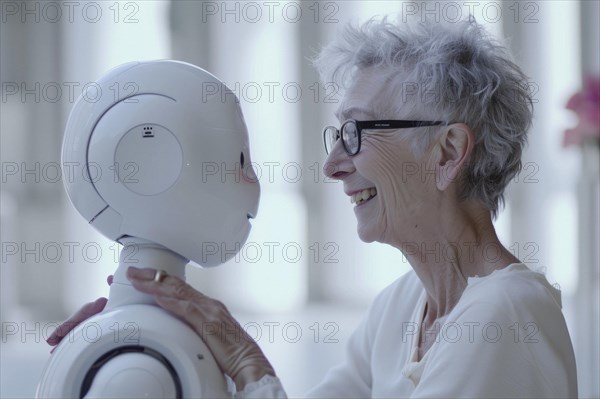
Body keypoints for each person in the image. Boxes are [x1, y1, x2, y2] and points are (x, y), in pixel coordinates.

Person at [48, 16, 578, 398]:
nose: (332, 165)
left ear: (447, 152)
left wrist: (245, 359)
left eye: (356, 132)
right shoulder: (401, 307)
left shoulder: (503, 317)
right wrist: (141, 355)